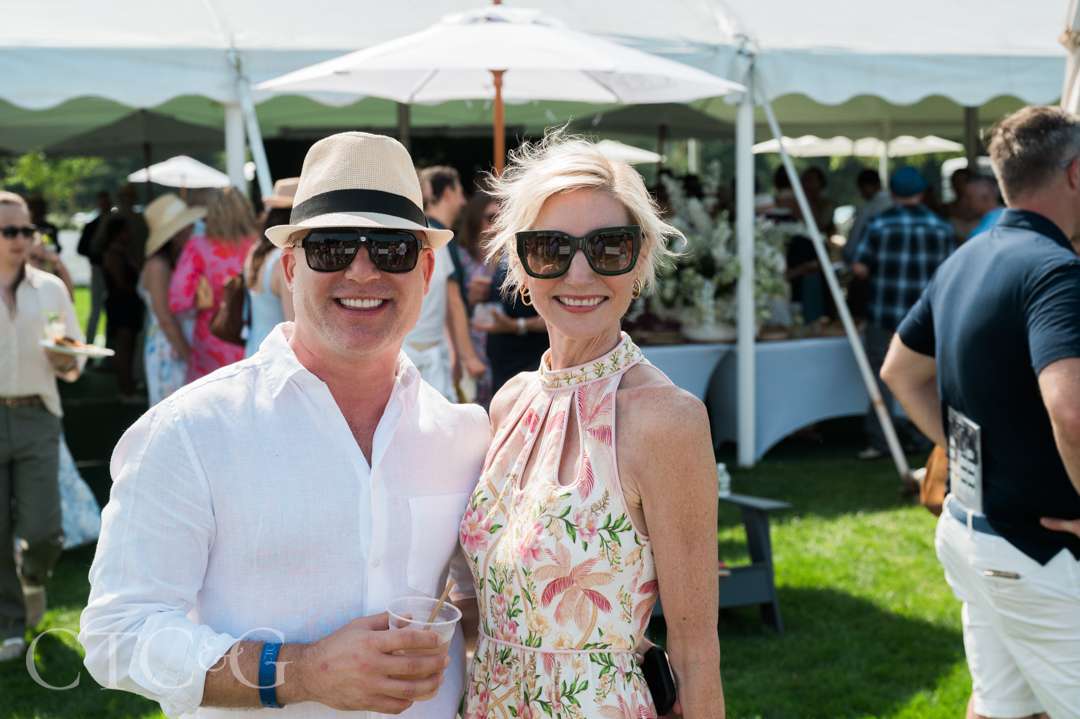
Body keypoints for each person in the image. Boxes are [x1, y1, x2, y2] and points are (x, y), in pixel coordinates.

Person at [80, 132, 489, 717]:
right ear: (290, 267)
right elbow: (117, 634)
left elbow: (481, 608)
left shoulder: (464, 435)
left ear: (425, 271)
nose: (363, 271)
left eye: (393, 250)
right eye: (331, 248)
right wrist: (299, 673)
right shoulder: (190, 431)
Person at [458, 135, 723, 717]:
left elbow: (698, 652)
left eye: (608, 247)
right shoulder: (509, 404)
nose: (579, 274)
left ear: (641, 261)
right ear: (522, 266)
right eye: (550, 248)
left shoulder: (665, 420)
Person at [881, 105, 1080, 719]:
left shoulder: (969, 255)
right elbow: (1071, 411)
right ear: (1075, 175)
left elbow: (901, 372)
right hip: (1040, 556)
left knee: (1002, 710)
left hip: (974, 537)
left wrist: (978, 457)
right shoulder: (1057, 273)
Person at [0, 191, 83, 662]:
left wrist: (65, 360)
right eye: (9, 231)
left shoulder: (51, 288)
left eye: (26, 230)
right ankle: (11, 626)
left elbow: (72, 361)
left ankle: (32, 578)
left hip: (37, 413)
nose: (20, 240)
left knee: (45, 529)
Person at [852, 166, 956, 464]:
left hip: (884, 315)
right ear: (922, 193)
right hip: (928, 320)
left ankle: (881, 440)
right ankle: (930, 438)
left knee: (880, 380)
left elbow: (860, 268)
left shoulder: (879, 224)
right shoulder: (941, 227)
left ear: (893, 193)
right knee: (928, 381)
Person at [409, 165, 485, 400]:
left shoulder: (419, 235)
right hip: (423, 356)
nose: (463, 202)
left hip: (416, 353)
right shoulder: (438, 239)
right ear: (449, 193)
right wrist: (468, 357)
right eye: (460, 192)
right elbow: (452, 302)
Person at [168, 186, 256, 382]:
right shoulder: (260, 246)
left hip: (213, 335)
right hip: (253, 334)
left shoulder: (198, 247)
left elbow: (178, 299)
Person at [139, 193, 203, 405]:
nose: (192, 229)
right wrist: (189, 356)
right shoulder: (158, 266)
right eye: (186, 226)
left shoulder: (169, 263)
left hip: (172, 344)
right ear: (175, 234)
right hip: (168, 349)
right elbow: (165, 318)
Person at [454, 189, 498, 404]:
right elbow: (450, 308)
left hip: (505, 350)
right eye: (492, 218)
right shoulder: (460, 259)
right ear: (475, 220)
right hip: (472, 349)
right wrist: (469, 299)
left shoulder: (514, 259)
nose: (497, 226)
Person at [244, 177, 297, 357]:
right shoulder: (283, 259)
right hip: (278, 357)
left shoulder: (256, 251)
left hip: (254, 350)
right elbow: (294, 324)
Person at [101, 215, 145, 398]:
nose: (129, 234)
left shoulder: (125, 252)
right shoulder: (113, 254)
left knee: (130, 346)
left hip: (129, 304)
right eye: (126, 231)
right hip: (121, 304)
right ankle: (124, 389)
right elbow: (120, 283)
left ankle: (129, 386)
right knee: (123, 347)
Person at [77, 190, 112, 342]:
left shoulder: (115, 223)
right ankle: (89, 342)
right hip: (98, 269)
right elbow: (81, 248)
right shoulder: (92, 225)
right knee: (96, 309)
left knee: (111, 311)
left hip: (113, 271)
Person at [963, 174, 1005, 241]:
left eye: (969, 197)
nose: (965, 202)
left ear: (984, 198)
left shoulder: (981, 233)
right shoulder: (1008, 216)